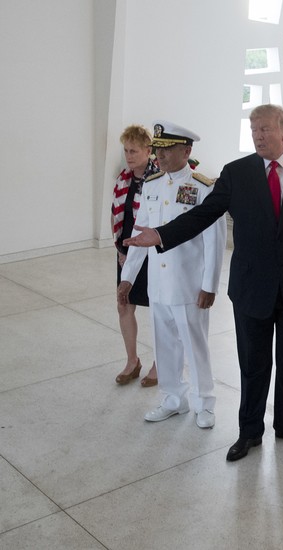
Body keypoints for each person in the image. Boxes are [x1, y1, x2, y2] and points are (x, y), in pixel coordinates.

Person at [124, 104, 283, 461]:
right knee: (253, 364)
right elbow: (202, 216)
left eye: (266, 129)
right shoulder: (237, 173)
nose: (258, 135)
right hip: (251, 286)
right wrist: (161, 235)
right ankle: (249, 432)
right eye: (254, 129)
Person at [118, 121, 226, 428]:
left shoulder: (203, 188)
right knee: (164, 344)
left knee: (195, 345)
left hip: (189, 286)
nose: (160, 157)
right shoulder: (151, 185)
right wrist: (127, 278)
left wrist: (209, 285)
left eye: (167, 150)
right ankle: (173, 398)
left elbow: (214, 242)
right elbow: (141, 237)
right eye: (158, 150)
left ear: (187, 151)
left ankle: (204, 403)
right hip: (159, 285)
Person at [112, 124, 158, 387]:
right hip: (127, 251)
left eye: (134, 151)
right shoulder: (123, 178)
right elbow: (116, 215)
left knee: (157, 310)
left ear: (148, 151)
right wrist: (119, 250)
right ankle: (132, 361)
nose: (128, 156)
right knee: (124, 304)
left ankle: (160, 364)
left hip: (152, 253)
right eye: (126, 150)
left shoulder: (159, 179)